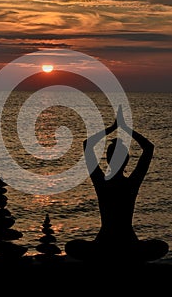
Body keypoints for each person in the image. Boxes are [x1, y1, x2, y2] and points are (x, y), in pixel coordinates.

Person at [65, 105, 169, 263]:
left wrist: (112, 128)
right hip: (128, 243)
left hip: (104, 243)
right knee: (161, 247)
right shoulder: (131, 183)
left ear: (107, 160)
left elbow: (87, 145)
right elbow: (148, 148)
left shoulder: (101, 182)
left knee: (71, 247)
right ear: (127, 161)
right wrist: (125, 128)